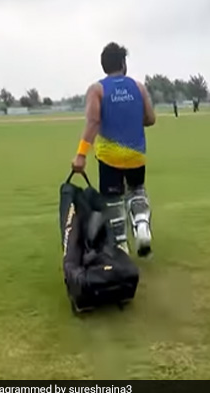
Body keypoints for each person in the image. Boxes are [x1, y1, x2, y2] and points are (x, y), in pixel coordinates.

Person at [71, 42, 156, 257]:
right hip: (136, 154)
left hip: (109, 157)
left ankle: (121, 245)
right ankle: (141, 224)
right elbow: (150, 118)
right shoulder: (139, 87)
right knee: (137, 191)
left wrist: (81, 154)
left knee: (113, 201)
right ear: (123, 63)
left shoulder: (97, 90)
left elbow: (93, 122)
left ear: (103, 65)